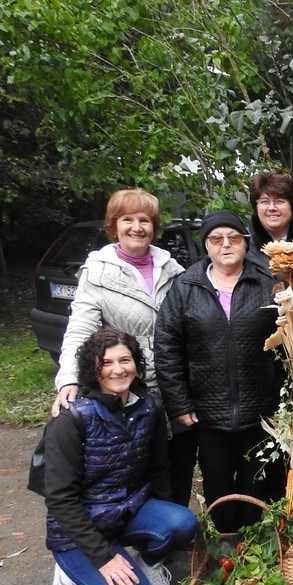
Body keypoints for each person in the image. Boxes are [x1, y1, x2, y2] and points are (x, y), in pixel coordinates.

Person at [51, 188, 197, 508]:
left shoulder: (172, 270)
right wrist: (70, 379)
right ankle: (129, 542)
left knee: (176, 467)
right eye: (127, 219)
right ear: (113, 226)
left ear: (154, 227)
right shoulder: (98, 272)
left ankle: (173, 538)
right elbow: (80, 332)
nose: (136, 227)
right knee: (132, 470)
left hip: (173, 385)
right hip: (128, 387)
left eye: (144, 220)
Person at [44, 329, 198, 585]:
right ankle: (69, 573)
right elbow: (60, 500)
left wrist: (166, 524)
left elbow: (158, 470)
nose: (118, 369)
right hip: (79, 530)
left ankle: (146, 563)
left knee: (183, 522)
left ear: (136, 363)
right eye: (106, 363)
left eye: (125, 360)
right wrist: (103, 558)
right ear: (93, 368)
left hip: (125, 512)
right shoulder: (71, 418)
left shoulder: (148, 407)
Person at [154, 210, 285, 532]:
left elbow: (286, 347)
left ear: (245, 243)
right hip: (207, 412)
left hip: (260, 411)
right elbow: (167, 346)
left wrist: (282, 402)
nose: (226, 245)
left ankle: (252, 547)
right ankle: (225, 544)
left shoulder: (265, 284)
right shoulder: (186, 288)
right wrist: (180, 404)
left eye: (234, 238)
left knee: (255, 483)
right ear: (206, 247)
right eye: (216, 239)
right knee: (217, 483)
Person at [246, 171, 293, 269]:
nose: (272, 208)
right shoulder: (243, 244)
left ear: (292, 206)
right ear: (256, 207)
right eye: (264, 202)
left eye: (279, 201)